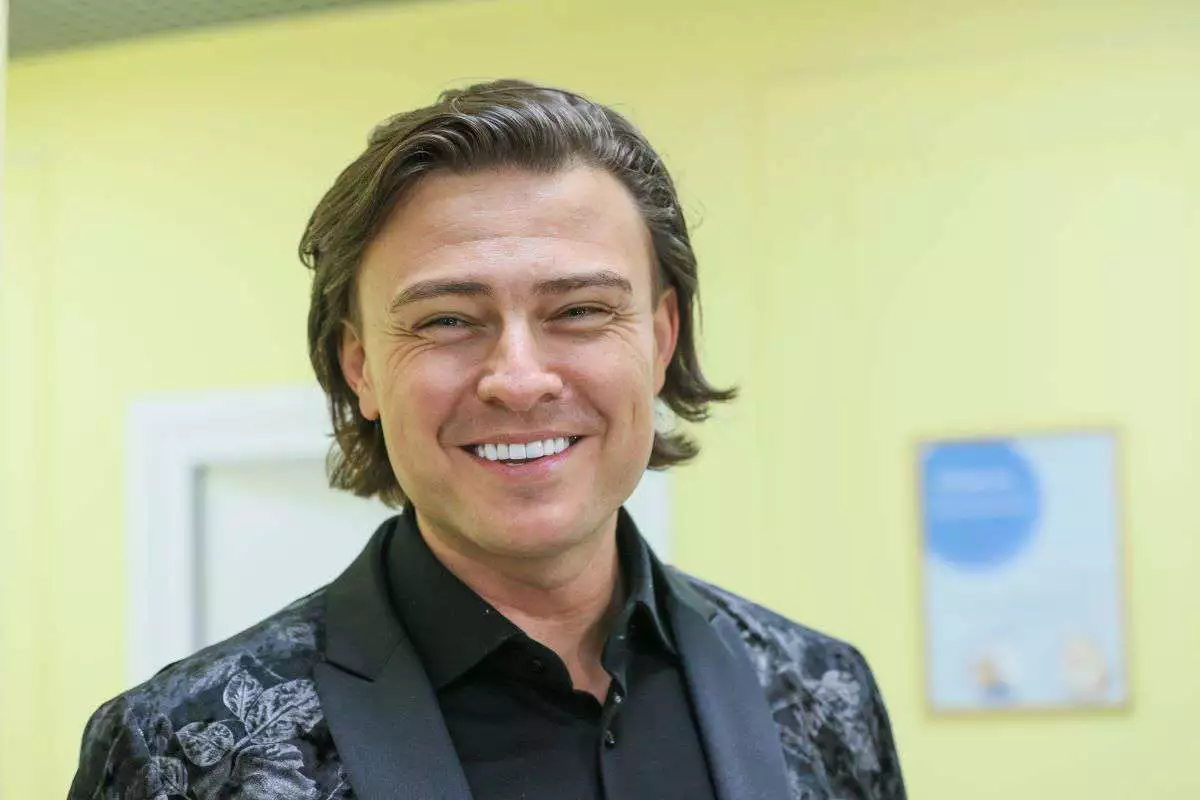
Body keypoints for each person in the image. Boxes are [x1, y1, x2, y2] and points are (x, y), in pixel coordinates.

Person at [70, 80, 906, 800]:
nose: (519, 378)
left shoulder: (821, 693)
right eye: (447, 320)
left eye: (579, 310)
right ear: (360, 367)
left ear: (659, 339)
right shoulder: (183, 751)